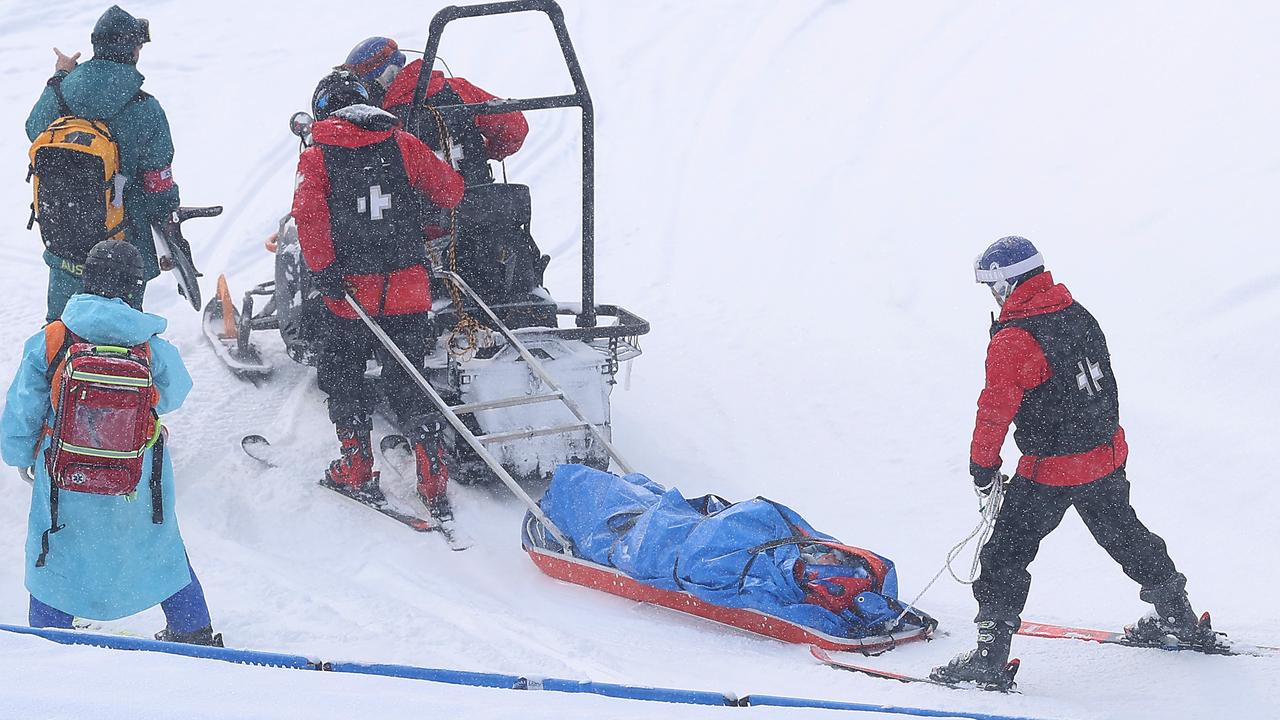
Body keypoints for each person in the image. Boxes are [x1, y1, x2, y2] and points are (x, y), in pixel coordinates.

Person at [930, 236, 1215, 689]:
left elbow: (994, 410)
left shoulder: (1016, 338)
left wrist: (982, 467)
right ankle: (1178, 616)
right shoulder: (1079, 313)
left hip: (1052, 470)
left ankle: (988, 657)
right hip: (1104, 458)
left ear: (1008, 283)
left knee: (1004, 556)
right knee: (1126, 535)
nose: (992, 295)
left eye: (993, 286)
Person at [1, 239, 219, 646]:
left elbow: (19, 416)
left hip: (66, 476)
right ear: (135, 288)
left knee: (57, 555)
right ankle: (194, 630)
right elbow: (176, 394)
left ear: (86, 280)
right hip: (137, 478)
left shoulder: (53, 339)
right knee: (160, 549)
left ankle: (47, 640)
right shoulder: (149, 345)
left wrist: (20, 455)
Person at [291, 70, 465, 521]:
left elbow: (309, 219)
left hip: (350, 293)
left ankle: (356, 467)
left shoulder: (316, 156)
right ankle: (432, 477)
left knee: (343, 374)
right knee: (409, 375)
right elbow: (450, 190)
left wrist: (325, 271)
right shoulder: (402, 142)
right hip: (407, 285)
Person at [26, 5, 183, 322]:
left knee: (60, 328)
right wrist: (169, 218)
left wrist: (60, 75)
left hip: (64, 234)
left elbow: (34, 129)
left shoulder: (63, 91)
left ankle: (57, 366)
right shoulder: (145, 107)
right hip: (120, 245)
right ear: (134, 50)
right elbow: (157, 181)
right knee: (117, 330)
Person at [343, 36, 529, 186]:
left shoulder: (377, 121)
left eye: (366, 84)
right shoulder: (457, 90)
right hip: (477, 208)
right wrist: (485, 152)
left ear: (385, 76)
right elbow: (514, 127)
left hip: (417, 225)